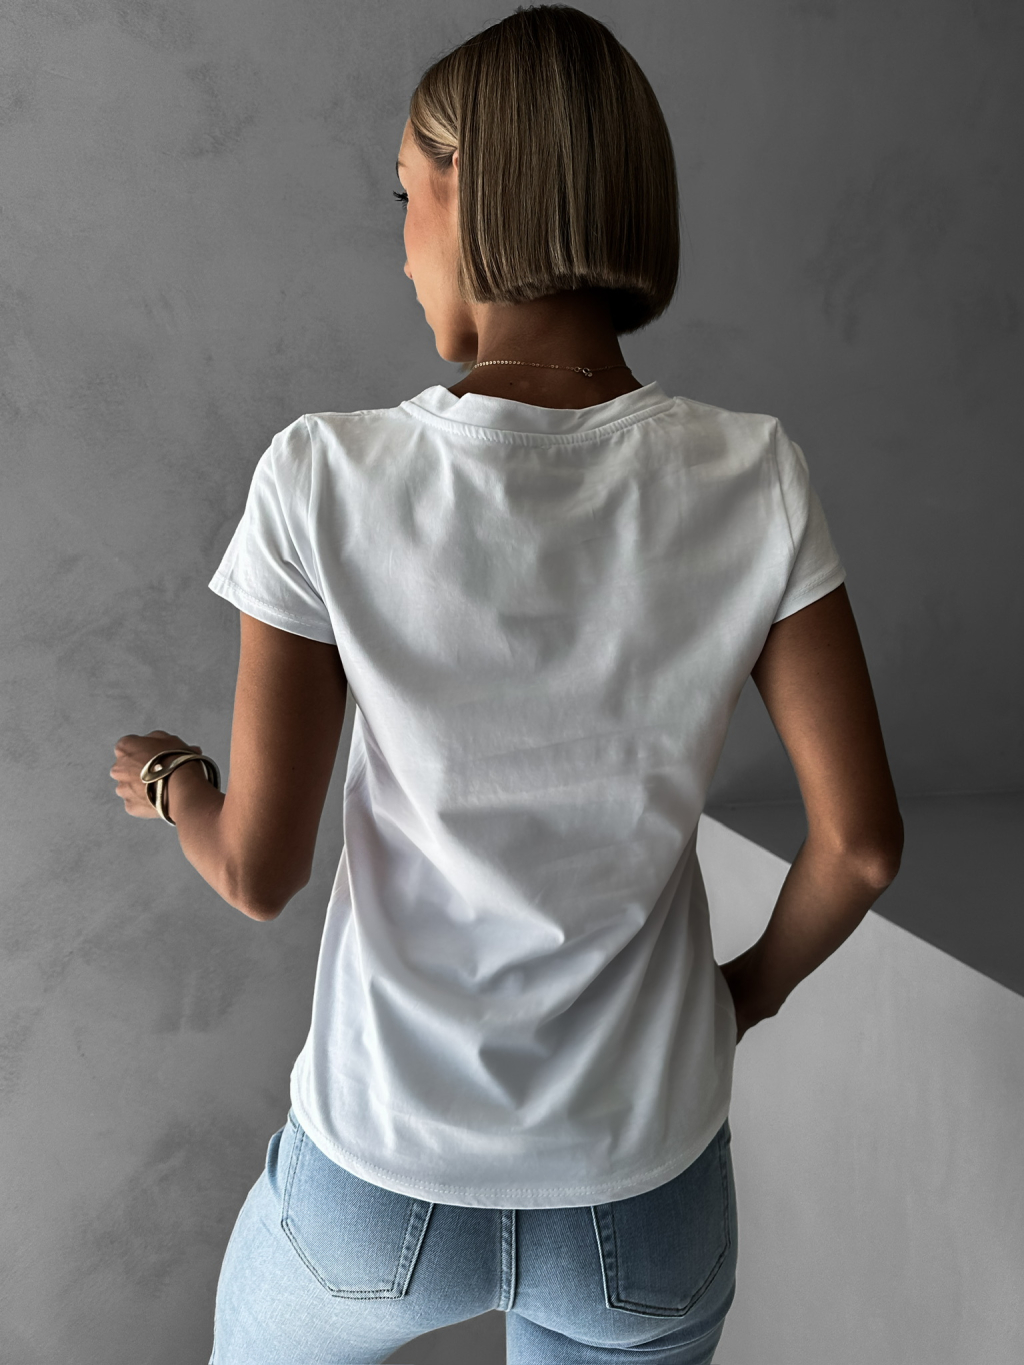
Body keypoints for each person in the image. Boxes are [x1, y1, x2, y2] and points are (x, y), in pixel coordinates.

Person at [110, 7, 903, 1363]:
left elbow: (256, 870)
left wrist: (172, 780)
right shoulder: (753, 473)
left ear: (473, 186)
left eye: (404, 196)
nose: (401, 244)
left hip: (378, 1181)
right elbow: (864, 845)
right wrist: (741, 999)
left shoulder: (325, 475)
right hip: (640, 1194)